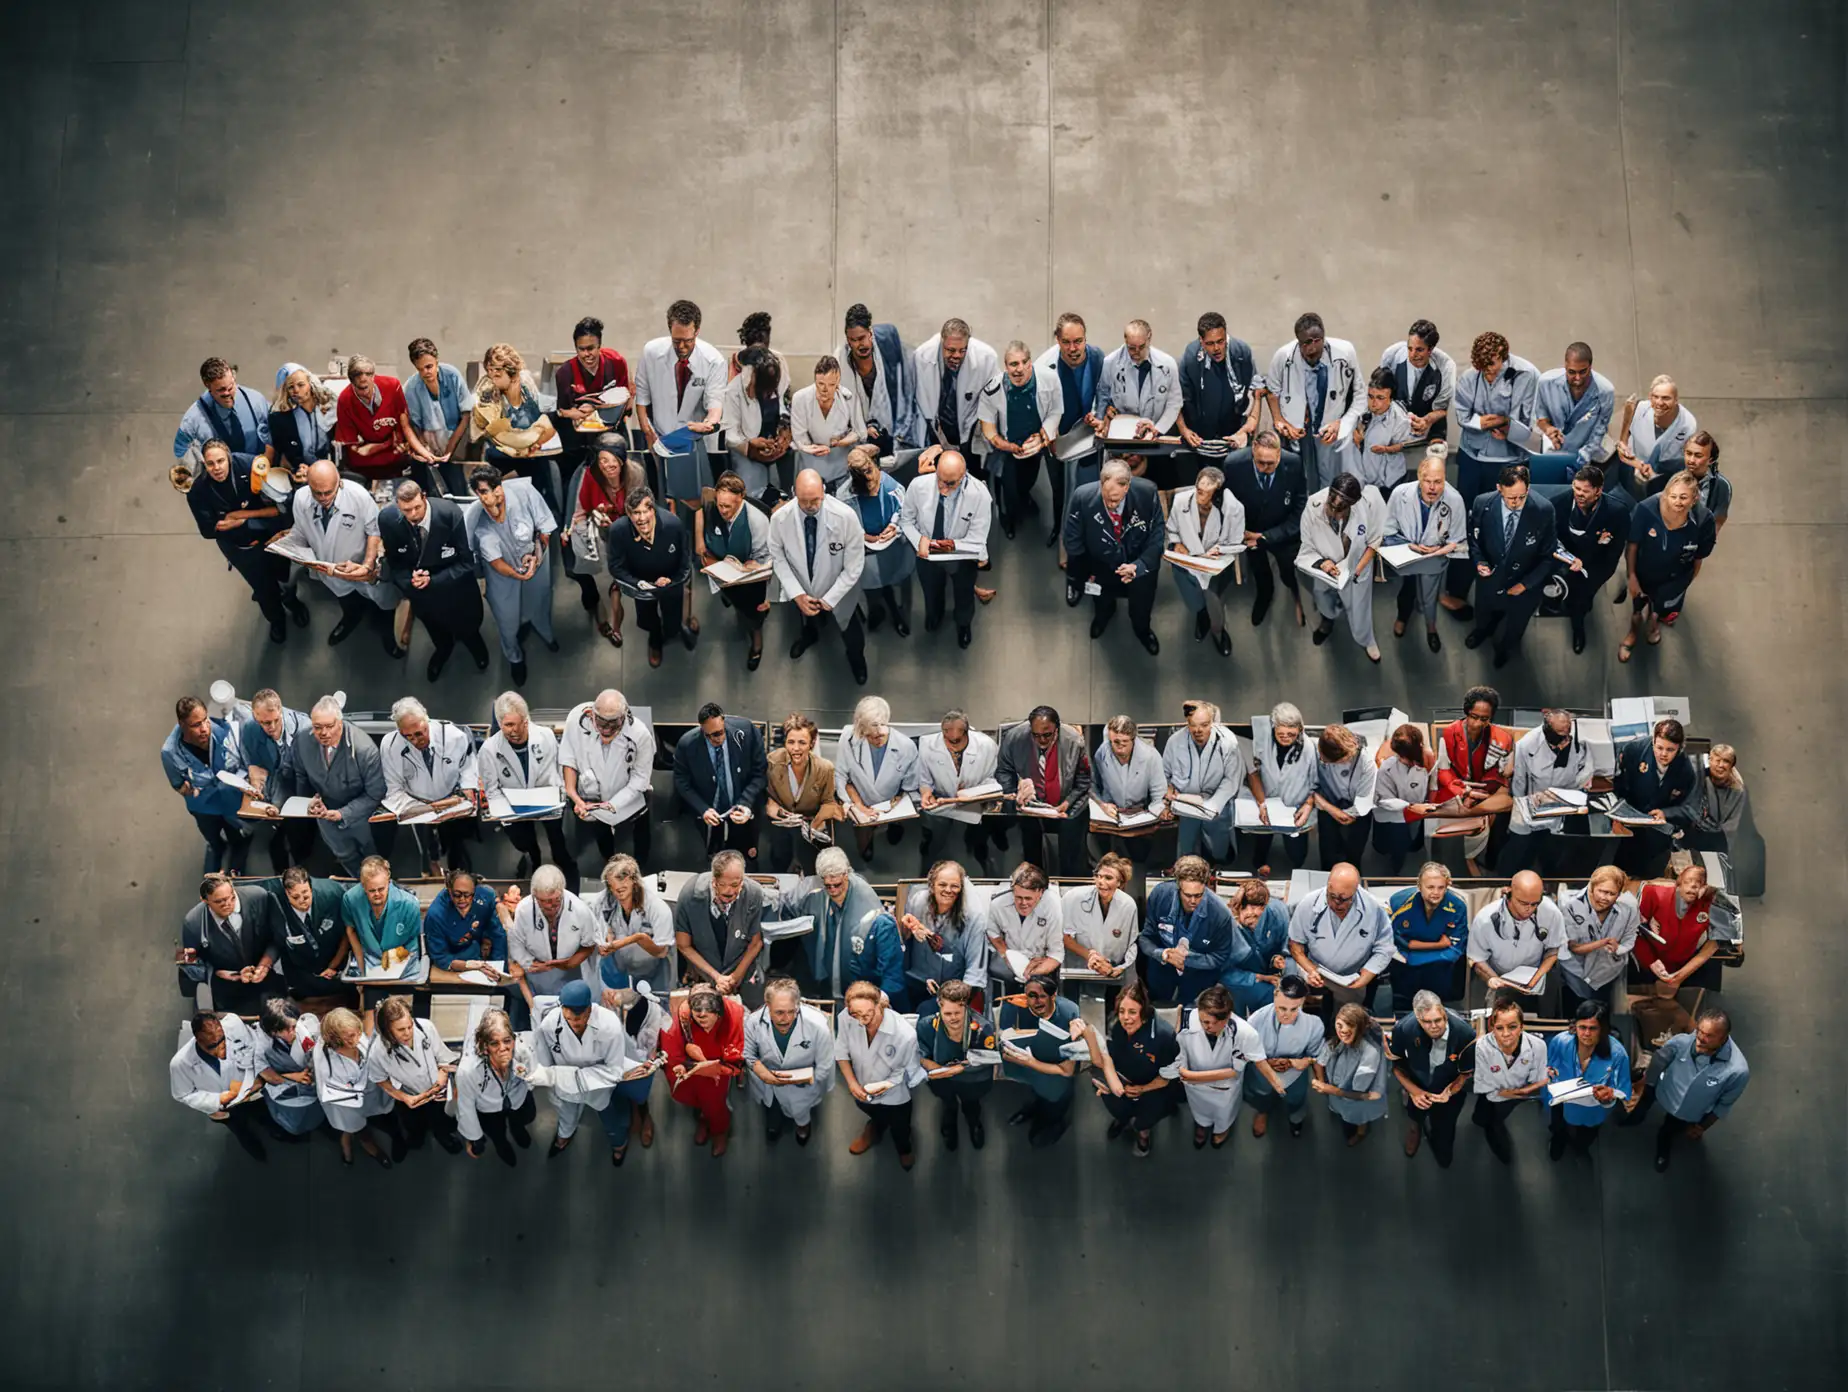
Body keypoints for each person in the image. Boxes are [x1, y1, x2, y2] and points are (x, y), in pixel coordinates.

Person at [1447, 332, 1540, 602]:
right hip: (1472, 458)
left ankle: (1501, 586)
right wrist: (1495, 422)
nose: (1488, 375)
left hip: (1508, 462)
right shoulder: (1469, 377)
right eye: (1482, 369)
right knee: (1466, 519)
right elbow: (1464, 416)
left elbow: (1527, 424)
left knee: (1503, 523)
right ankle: (1458, 587)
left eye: (1492, 368)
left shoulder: (1527, 375)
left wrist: (1508, 428)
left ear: (1504, 357)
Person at [182, 438, 300, 643]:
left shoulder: (251, 466)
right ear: (204, 464)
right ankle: (276, 619)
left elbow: (283, 507)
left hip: (272, 537)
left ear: (229, 457)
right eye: (210, 464)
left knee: (284, 574)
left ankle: (292, 602)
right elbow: (209, 530)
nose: (216, 468)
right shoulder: (198, 491)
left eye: (220, 461)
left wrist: (240, 517)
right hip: (243, 550)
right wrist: (256, 517)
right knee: (264, 589)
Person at [286, 460, 403, 655]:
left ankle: (388, 636)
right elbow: (301, 528)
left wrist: (366, 566)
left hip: (360, 567)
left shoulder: (358, 496)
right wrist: (291, 546)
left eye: (328, 492)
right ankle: (350, 620)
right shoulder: (300, 498)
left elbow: (374, 531)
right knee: (347, 602)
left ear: (339, 482)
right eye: (317, 492)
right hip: (330, 568)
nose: (323, 498)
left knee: (382, 605)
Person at [378, 478, 489, 680]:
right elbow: (394, 563)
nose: (413, 516)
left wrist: (433, 580)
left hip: (457, 592)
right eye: (406, 510)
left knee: (469, 629)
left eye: (417, 508)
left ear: (424, 497)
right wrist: (409, 580)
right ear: (397, 506)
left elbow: (466, 563)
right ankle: (443, 650)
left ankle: (476, 648)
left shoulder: (449, 514)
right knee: (437, 632)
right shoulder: (387, 520)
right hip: (423, 597)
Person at [1617, 1005, 1749, 1172]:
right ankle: (1635, 1118)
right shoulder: (1682, 1041)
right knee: (1642, 1106)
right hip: (1664, 1089)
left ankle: (1663, 1148)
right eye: (1699, 1031)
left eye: (1709, 1035)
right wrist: (1647, 1085)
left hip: (1686, 1111)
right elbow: (1659, 1060)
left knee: (1669, 1130)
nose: (1700, 1038)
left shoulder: (1737, 1071)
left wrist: (1702, 1127)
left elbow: (1724, 1104)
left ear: (1723, 1038)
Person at [770, 467, 869, 684]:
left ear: (824, 492)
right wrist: (797, 594)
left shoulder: (845, 517)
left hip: (840, 592)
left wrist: (829, 599)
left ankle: (856, 659)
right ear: (794, 493)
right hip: (803, 589)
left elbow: (854, 566)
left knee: (851, 632)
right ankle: (810, 635)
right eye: (804, 501)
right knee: (809, 620)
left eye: (815, 500)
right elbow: (777, 556)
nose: (810, 506)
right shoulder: (780, 519)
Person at [466, 463, 558, 685]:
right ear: (477, 494)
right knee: (506, 618)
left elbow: (544, 527)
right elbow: (496, 562)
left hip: (535, 560)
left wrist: (537, 554)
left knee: (540, 597)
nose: (494, 495)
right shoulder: (476, 521)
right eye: (485, 492)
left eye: (496, 487)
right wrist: (518, 576)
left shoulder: (523, 492)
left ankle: (543, 630)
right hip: (502, 574)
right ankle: (514, 657)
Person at [1062, 457, 1165, 654]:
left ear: (1127, 487)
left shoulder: (1147, 493)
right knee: (1101, 600)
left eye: (1115, 499)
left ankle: (1142, 630)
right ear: (1101, 484)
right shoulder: (1082, 497)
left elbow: (1157, 535)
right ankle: (1103, 617)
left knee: (1141, 607)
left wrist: (1140, 566)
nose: (1110, 504)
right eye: (1106, 497)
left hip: (1138, 566)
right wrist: (1083, 572)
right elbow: (1073, 538)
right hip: (1101, 565)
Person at [633, 300, 725, 510]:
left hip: (689, 437)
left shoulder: (713, 360)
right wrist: (648, 431)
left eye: (687, 341)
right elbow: (642, 395)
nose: (682, 347)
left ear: (697, 331)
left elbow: (715, 402)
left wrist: (709, 423)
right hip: (657, 434)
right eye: (676, 341)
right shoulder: (651, 352)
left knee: (692, 502)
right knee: (658, 501)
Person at [778, 849, 902, 1004]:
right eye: (828, 886)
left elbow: (892, 974)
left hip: (863, 993)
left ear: (846, 875)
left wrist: (879, 1000)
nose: (833, 890)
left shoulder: (877, 919)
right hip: (825, 984)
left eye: (837, 884)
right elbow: (785, 905)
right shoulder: (814, 893)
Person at [1464, 462, 1557, 668]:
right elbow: (1474, 539)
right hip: (1490, 578)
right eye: (1510, 497)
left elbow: (1548, 556)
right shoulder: (1482, 503)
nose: (1516, 503)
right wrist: (1479, 561)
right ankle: (1482, 631)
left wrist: (1525, 585)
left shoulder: (1543, 510)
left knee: (1515, 625)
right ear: (1499, 489)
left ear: (1528, 489)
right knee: (1484, 612)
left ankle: (1505, 649)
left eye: (1521, 497)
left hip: (1525, 583)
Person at [478, 691, 574, 886]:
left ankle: (561, 860)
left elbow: (558, 769)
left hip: (547, 800)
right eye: (507, 725)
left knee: (557, 839)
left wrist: (559, 795)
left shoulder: (546, 736)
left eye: (517, 724)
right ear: (500, 723)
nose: (513, 731)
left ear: (526, 720)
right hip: (513, 806)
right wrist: (505, 812)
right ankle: (534, 858)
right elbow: (492, 789)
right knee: (524, 842)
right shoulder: (489, 750)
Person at [899, 447, 992, 647]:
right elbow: (906, 520)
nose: (942, 488)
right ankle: (935, 615)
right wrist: (919, 541)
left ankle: (963, 624)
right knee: (931, 590)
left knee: (964, 592)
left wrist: (953, 545)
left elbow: (978, 540)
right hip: (927, 554)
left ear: (963, 476)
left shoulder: (980, 495)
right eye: (939, 479)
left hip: (961, 557)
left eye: (950, 483)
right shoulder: (918, 485)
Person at [1621, 469, 1716, 664]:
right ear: (1665, 494)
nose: (1678, 502)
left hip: (1676, 577)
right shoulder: (1646, 510)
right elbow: (1632, 545)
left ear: (1694, 498)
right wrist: (1631, 575)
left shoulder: (1704, 521)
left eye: (1684, 497)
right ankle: (1633, 631)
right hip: (1644, 571)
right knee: (1638, 606)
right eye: (1673, 496)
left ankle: (1653, 624)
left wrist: (1687, 582)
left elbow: (1699, 557)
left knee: (1660, 609)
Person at [379, 696, 479, 876]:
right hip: (417, 805)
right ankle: (433, 869)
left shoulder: (454, 736)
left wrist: (466, 790)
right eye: (407, 736)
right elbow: (393, 789)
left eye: (419, 733)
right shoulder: (390, 745)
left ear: (427, 720)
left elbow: (468, 766)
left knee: (456, 842)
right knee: (425, 848)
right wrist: (421, 810)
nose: (415, 741)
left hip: (451, 801)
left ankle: (460, 870)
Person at [1080, 977, 1181, 1156]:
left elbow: (1168, 1076)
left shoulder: (1163, 1036)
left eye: (1132, 1012)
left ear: (1144, 1011)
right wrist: (1103, 1080)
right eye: (1122, 1011)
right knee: (1119, 1109)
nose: (1125, 1018)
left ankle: (1143, 1135)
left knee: (1144, 1121)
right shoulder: (1114, 1026)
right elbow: (1107, 1056)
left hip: (1153, 1089)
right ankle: (1123, 1120)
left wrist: (1142, 1088)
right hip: (1121, 1083)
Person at [533, 979, 631, 1164]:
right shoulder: (549, 1024)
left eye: (579, 1018)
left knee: (608, 1116)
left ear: (589, 1010)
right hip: (566, 1087)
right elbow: (545, 1063)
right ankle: (564, 1137)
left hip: (598, 1087)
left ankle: (619, 1144)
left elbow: (615, 1070)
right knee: (566, 1114)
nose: (574, 1023)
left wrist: (573, 1077)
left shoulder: (609, 1025)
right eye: (568, 1018)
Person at [1176, 983, 1281, 1152]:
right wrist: (1181, 1069)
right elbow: (1178, 1048)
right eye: (1203, 1021)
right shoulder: (1186, 1019)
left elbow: (1237, 1069)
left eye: (1211, 1023)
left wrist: (1189, 1076)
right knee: (1199, 1110)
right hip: (1195, 1089)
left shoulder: (1244, 1033)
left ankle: (1221, 1131)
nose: (1206, 1026)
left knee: (1224, 1114)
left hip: (1224, 1089)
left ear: (1226, 1018)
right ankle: (1202, 1125)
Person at [1264, 312, 1362, 491]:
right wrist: (1280, 421)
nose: (1312, 347)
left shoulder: (1345, 352)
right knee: (1301, 483)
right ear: (1298, 342)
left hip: (1332, 428)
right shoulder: (1283, 356)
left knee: (1334, 481)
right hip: (1298, 430)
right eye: (1306, 343)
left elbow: (1360, 395)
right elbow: (1271, 391)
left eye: (1317, 340)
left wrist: (1343, 423)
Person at [293, 695, 388, 876]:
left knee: (371, 857)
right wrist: (309, 801)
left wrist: (343, 814)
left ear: (340, 723)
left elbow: (375, 794)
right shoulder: (303, 741)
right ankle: (357, 881)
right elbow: (301, 774)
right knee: (344, 854)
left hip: (359, 815)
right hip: (324, 813)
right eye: (318, 727)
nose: (323, 733)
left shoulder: (364, 750)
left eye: (329, 726)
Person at [1384, 445, 1467, 652]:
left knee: (1429, 597)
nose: (1432, 488)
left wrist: (1436, 551)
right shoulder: (1399, 494)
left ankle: (1431, 627)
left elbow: (1457, 540)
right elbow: (1387, 531)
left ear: (1445, 479)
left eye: (1438, 482)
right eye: (1427, 481)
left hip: (1434, 557)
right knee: (1406, 591)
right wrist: (1408, 545)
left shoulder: (1455, 500)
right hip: (1407, 554)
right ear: (1419, 477)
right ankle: (1403, 617)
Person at [1297, 472, 1386, 660]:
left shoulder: (1368, 505)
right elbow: (1306, 546)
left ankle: (1366, 639)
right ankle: (1328, 620)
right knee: (1322, 595)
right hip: (1324, 567)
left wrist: (1358, 568)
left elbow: (1374, 541)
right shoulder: (1313, 506)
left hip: (1357, 567)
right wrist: (1323, 563)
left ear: (1352, 506)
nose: (1333, 513)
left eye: (1340, 510)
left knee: (1360, 607)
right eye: (1331, 506)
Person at [561, 688, 655, 865]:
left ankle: (642, 864)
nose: (606, 730)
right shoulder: (576, 720)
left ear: (624, 716)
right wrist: (574, 796)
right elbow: (569, 758)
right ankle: (609, 862)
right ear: (591, 714)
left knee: (641, 832)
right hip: (592, 798)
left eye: (613, 724)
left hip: (629, 797)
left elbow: (640, 779)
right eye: (601, 723)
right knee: (602, 833)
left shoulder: (640, 735)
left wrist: (612, 805)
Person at [976, 340, 1061, 535]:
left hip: (1035, 445)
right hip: (1008, 447)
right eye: (1013, 364)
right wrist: (1006, 446)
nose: (1019, 369)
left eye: (1024, 362)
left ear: (1030, 362)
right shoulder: (992, 390)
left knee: (1028, 480)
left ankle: (1025, 499)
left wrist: (1042, 436)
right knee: (1009, 488)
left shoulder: (1049, 379)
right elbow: (988, 429)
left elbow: (1056, 411)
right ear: (1006, 367)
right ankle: (1010, 522)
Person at [996, 705, 1093, 877]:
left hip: (1067, 805)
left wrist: (1068, 803)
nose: (1041, 740)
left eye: (1047, 735)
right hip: (1029, 806)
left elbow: (1084, 780)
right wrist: (1013, 793)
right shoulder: (1014, 738)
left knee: (1072, 860)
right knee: (1030, 860)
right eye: (1036, 735)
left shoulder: (1074, 741)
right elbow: (1004, 771)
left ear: (1057, 729)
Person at [163, 696, 254, 876]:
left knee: (238, 833)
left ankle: (236, 863)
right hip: (203, 806)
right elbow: (176, 782)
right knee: (212, 837)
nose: (204, 728)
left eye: (205, 720)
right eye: (196, 725)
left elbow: (241, 759)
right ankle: (217, 848)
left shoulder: (223, 728)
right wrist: (184, 789)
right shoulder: (170, 751)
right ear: (182, 725)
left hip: (230, 799)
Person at [606, 484, 695, 668]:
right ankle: (655, 641)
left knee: (673, 614)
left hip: (670, 582)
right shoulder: (618, 532)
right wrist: (639, 583)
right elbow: (616, 567)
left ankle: (675, 630)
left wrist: (673, 581)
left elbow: (685, 563)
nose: (641, 518)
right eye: (635, 513)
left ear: (653, 509)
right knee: (648, 619)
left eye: (645, 511)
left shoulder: (674, 526)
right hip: (642, 586)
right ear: (629, 515)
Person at [1036, 311, 1107, 541]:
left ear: (1085, 338)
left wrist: (1101, 414)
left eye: (1078, 341)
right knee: (1059, 485)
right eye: (1066, 342)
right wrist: (1050, 433)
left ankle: (1089, 528)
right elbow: (1040, 407)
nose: (1073, 348)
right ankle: (1059, 526)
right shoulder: (1044, 366)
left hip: (1089, 431)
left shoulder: (1097, 357)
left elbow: (1103, 391)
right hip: (1060, 434)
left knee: (1090, 482)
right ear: (1058, 341)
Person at [566, 437, 642, 646]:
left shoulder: (635, 475)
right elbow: (581, 511)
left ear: (623, 459)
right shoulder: (590, 476)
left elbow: (643, 507)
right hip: (600, 535)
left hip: (627, 534)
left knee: (617, 583)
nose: (608, 466)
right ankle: (609, 622)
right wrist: (575, 528)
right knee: (604, 582)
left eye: (613, 460)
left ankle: (613, 623)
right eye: (603, 461)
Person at [693, 471, 774, 669]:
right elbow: (699, 508)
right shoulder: (713, 503)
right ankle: (729, 597)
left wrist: (755, 567)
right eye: (720, 504)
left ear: (741, 497)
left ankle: (756, 644)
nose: (722, 510)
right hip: (722, 568)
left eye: (727, 506)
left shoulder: (757, 521)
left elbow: (766, 558)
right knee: (732, 598)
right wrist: (699, 538)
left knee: (753, 614)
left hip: (748, 577)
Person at [1433, 685, 1516, 875]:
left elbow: (1503, 774)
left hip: (1490, 789)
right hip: (1461, 787)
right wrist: (1463, 791)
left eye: (1484, 719)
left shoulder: (1503, 739)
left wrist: (1509, 767)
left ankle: (1487, 858)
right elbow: (1444, 771)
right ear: (1466, 712)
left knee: (1504, 814)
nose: (1477, 723)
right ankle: (1469, 856)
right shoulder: (1449, 733)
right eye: (1474, 716)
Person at [1228, 430, 1307, 628]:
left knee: (1289, 570)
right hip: (1249, 532)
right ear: (1253, 450)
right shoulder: (1233, 465)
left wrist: (1267, 536)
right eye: (1260, 462)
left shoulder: (1295, 463)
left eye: (1271, 463)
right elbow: (1227, 505)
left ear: (1280, 454)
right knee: (1260, 572)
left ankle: (1294, 590)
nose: (1265, 468)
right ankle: (1265, 595)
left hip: (1284, 532)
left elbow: (1300, 509)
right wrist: (1241, 532)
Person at [744, 977, 837, 1145]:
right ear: (767, 1006)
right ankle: (774, 1124)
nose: (785, 1019)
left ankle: (803, 1126)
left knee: (800, 1112)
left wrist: (804, 1080)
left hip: (803, 1086)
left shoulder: (817, 1025)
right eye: (779, 1012)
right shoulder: (753, 1022)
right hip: (767, 1082)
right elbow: (749, 1055)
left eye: (791, 1011)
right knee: (771, 1109)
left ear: (798, 1006)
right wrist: (764, 1075)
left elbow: (825, 1064)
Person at [1287, 863, 1392, 1011]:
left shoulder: (1373, 908)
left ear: (1356, 892)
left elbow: (1385, 947)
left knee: (1347, 1021)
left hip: (1351, 978)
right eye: (1332, 896)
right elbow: (1295, 945)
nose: (1336, 904)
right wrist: (1310, 970)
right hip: (1316, 971)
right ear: (1328, 887)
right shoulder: (1308, 904)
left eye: (1344, 899)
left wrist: (1367, 974)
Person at [1387, 990, 1476, 1166]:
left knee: (1445, 1126)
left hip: (1449, 1090)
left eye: (1438, 1020)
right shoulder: (1403, 1029)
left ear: (1444, 1013)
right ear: (1418, 1019)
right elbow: (1397, 1067)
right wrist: (1415, 1092)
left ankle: (1442, 1145)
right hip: (1417, 1084)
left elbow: (1466, 1072)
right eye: (1427, 1022)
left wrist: (1449, 1092)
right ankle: (1416, 1130)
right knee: (1415, 1116)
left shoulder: (1465, 1034)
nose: (1434, 1026)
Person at [1502, 710, 1596, 874]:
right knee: (1519, 852)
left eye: (1567, 731)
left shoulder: (1580, 740)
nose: (1565, 737)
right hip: (1535, 800)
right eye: (1560, 733)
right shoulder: (1527, 744)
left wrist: (1575, 789)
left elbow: (1586, 769)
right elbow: (1519, 782)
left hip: (1567, 800)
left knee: (1566, 854)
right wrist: (1526, 802)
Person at [997, 971, 1084, 1148]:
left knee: (1053, 1105)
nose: (1037, 1002)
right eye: (1032, 996)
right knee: (1037, 1092)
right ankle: (1036, 1108)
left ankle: (1055, 1122)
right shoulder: (1016, 1009)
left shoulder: (1069, 1013)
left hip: (1055, 1074)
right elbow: (1004, 1036)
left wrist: (1029, 1062)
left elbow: (1066, 1070)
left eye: (1043, 996)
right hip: (1030, 1067)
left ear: (1054, 995)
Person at [367, 995, 461, 1160]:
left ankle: (443, 1137)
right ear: (387, 1029)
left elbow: (443, 1057)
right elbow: (379, 1079)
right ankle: (416, 1140)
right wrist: (405, 1098)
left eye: (409, 1026)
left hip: (437, 1092)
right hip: (410, 1097)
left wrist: (443, 1073)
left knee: (441, 1121)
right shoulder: (377, 1052)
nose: (408, 1033)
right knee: (414, 1126)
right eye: (401, 1030)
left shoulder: (425, 1027)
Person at [1165, 464, 1245, 656]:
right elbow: (1172, 529)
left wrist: (1219, 550)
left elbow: (1237, 542)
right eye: (1199, 491)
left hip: (1216, 568)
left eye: (1208, 493)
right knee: (1193, 600)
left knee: (1215, 605)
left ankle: (1218, 631)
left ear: (1218, 494)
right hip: (1187, 565)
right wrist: (1177, 545)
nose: (1201, 498)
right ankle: (1201, 618)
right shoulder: (1181, 501)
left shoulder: (1234, 509)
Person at [673, 702, 768, 860]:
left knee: (744, 860)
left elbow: (760, 772)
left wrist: (745, 803)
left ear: (724, 722)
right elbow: (682, 781)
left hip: (742, 811)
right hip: (708, 815)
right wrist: (703, 809)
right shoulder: (687, 744)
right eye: (708, 735)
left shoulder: (746, 732)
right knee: (710, 863)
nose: (714, 740)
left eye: (718, 733)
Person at [1551, 462, 1629, 654]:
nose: (1579, 493)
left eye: (1585, 491)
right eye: (1576, 488)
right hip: (1564, 560)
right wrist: (1565, 561)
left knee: (1581, 599)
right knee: (1563, 592)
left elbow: (1614, 550)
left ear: (1598, 491)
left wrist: (1591, 570)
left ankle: (1578, 626)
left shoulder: (1617, 512)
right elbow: (1550, 536)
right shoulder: (1558, 503)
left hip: (1595, 564)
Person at [178, 872, 283, 1014]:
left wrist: (264, 965)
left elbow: (278, 935)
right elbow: (191, 966)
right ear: (205, 900)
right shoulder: (193, 923)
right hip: (228, 993)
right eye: (220, 901)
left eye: (232, 898)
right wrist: (223, 974)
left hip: (268, 982)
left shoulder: (259, 897)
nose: (228, 904)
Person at [170, 1010, 267, 1160]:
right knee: (240, 1129)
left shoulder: (234, 1025)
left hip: (250, 1093)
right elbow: (183, 1094)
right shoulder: (181, 1064)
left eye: (222, 1040)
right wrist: (218, 1100)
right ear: (197, 1040)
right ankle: (255, 1150)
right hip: (225, 1107)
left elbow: (249, 1048)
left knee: (263, 1114)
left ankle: (273, 1130)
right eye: (213, 1045)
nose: (221, 1047)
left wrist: (249, 1081)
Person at [834, 694, 920, 863]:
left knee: (896, 825)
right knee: (862, 834)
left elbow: (910, 787)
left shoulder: (906, 747)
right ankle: (866, 844)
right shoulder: (849, 738)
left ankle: (895, 826)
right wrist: (856, 807)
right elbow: (841, 776)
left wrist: (896, 805)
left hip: (892, 804)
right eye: (872, 735)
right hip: (861, 800)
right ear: (861, 728)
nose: (878, 736)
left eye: (882, 731)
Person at [839, 446, 916, 636]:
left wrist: (894, 527)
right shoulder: (843, 496)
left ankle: (899, 615)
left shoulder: (890, 486)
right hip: (865, 551)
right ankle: (877, 610)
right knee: (871, 585)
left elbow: (905, 511)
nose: (873, 487)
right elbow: (841, 527)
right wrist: (863, 537)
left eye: (873, 478)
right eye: (868, 487)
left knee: (897, 581)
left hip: (893, 546)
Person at [673, 850, 767, 1005]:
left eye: (735, 885)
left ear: (742, 880)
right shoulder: (690, 894)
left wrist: (735, 977)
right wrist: (716, 977)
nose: (728, 891)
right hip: (704, 970)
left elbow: (756, 943)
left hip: (741, 969)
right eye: (722, 884)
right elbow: (683, 945)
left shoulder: (754, 894)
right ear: (713, 880)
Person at [662, 984, 747, 1156]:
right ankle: (703, 1116)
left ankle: (719, 1131)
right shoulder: (683, 1014)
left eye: (709, 1019)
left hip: (719, 1065)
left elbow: (736, 1056)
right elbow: (672, 1045)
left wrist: (715, 1068)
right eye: (699, 1020)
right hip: (691, 1065)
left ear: (719, 1013)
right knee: (693, 1095)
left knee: (715, 1102)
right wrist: (682, 1065)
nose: (705, 1026)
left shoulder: (734, 1014)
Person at [1465, 870, 1564, 1015]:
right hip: (1500, 976)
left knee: (1547, 1004)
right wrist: (1493, 978)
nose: (1528, 909)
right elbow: (1477, 958)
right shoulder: (1485, 919)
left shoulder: (1551, 913)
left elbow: (1553, 949)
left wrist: (1535, 979)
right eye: (1523, 903)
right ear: (1509, 893)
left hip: (1535, 974)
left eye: (1535, 904)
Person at [916, 979, 999, 1150]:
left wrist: (956, 1069)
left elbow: (988, 1058)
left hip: (973, 1080)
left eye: (957, 1013)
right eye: (947, 1013)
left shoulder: (983, 1028)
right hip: (941, 1078)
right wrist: (936, 1069)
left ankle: (973, 1121)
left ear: (966, 1007)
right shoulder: (926, 1026)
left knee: (971, 1104)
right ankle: (950, 1118)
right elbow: (920, 1054)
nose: (953, 1018)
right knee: (948, 1101)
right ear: (939, 1006)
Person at [914, 318, 1000, 484]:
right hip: (936, 435)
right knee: (939, 484)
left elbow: (995, 402)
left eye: (962, 350)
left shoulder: (986, 358)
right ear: (942, 341)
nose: (956, 356)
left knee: (973, 485)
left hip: (971, 434)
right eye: (950, 350)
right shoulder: (922, 357)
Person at [1138, 855, 1234, 1005]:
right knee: (1157, 1010)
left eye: (1198, 895)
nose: (1193, 901)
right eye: (1187, 895)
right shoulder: (1159, 895)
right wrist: (1163, 954)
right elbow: (1145, 938)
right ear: (1177, 886)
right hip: (1162, 968)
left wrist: (1187, 960)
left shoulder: (1220, 914)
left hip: (1199, 974)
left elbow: (1221, 956)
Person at [1177, 312, 1264, 472]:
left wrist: (1246, 430)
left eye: (1220, 341)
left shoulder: (1241, 353)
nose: (1217, 348)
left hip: (1234, 432)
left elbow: (1256, 393)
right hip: (1200, 436)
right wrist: (1184, 430)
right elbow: (1177, 399)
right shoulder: (1190, 358)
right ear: (1201, 341)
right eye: (1210, 343)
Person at [918, 709, 1002, 873]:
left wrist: (975, 794)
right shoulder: (927, 744)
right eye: (947, 740)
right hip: (941, 805)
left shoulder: (987, 746)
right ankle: (927, 873)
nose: (951, 745)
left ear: (967, 734)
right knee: (934, 845)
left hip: (974, 806)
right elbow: (924, 779)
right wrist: (926, 792)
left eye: (957, 741)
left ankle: (985, 870)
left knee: (975, 847)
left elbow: (992, 778)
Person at [1098, 319, 1182, 483]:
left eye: (1141, 347)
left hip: (1156, 437)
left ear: (1149, 339)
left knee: (1158, 487)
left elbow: (1174, 403)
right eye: (1131, 348)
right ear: (1125, 341)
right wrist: (1104, 415)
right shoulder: (1110, 363)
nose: (1136, 352)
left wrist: (1157, 430)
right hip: (1122, 441)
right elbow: (1102, 396)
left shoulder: (1167, 364)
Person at [1545, 1000, 1631, 1160]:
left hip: (1592, 1106)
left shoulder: (1617, 1054)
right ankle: (1558, 1140)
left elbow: (1623, 1087)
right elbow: (1548, 1064)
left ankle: (1581, 1147)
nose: (1586, 1034)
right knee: (1557, 1125)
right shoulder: (1560, 1042)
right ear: (1575, 1026)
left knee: (1587, 1133)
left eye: (1593, 1028)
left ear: (1603, 1029)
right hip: (1561, 1098)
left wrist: (1610, 1094)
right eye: (1582, 1027)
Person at [1161, 701, 1243, 865]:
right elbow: (1165, 774)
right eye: (1193, 725)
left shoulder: (1228, 742)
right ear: (1187, 723)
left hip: (1217, 805)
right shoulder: (1175, 742)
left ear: (1212, 722)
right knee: (1187, 855)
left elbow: (1231, 780)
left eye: (1204, 725)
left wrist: (1213, 804)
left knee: (1219, 852)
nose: (1198, 730)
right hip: (1186, 804)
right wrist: (1167, 798)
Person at [899, 859, 990, 1007]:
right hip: (918, 982)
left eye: (954, 886)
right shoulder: (918, 901)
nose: (948, 890)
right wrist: (907, 927)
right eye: (942, 884)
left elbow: (975, 967)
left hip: (954, 992)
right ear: (932, 885)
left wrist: (957, 1001)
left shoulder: (973, 916)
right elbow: (905, 942)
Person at [1611, 718, 1696, 876]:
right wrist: (1617, 815)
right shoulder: (1633, 751)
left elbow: (1689, 807)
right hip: (1628, 823)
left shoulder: (1685, 769)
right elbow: (1619, 786)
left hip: (1658, 831)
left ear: (1679, 749)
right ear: (1653, 741)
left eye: (1670, 750)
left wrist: (1667, 813)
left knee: (1650, 874)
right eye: (1659, 748)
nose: (1663, 754)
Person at [507, 864, 599, 1007]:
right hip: (536, 973)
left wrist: (570, 963)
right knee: (539, 1011)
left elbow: (589, 944)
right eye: (544, 901)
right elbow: (516, 941)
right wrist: (528, 963)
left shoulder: (580, 910)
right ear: (534, 896)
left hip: (570, 972)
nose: (551, 905)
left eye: (556, 900)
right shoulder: (524, 909)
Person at [765, 712, 845, 875]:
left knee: (812, 870)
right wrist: (776, 810)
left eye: (802, 742)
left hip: (810, 824)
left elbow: (829, 802)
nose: (795, 748)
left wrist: (815, 824)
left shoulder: (825, 768)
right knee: (779, 863)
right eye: (791, 742)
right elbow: (769, 797)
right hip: (782, 825)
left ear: (812, 743)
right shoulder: (772, 761)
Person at [1243, 702, 1318, 874]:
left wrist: (1307, 806)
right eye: (1280, 733)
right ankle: (1259, 864)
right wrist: (1261, 803)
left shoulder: (1310, 748)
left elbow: (1317, 783)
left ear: (1300, 729)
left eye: (1291, 734)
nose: (1285, 738)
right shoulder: (1264, 741)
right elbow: (1253, 772)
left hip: (1295, 809)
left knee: (1298, 855)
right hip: (1266, 803)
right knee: (1260, 845)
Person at [1244, 977, 1325, 1138]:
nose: (1287, 1015)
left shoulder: (1314, 1024)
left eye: (1294, 1009)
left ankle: (1296, 1118)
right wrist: (1265, 1061)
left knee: (1296, 1098)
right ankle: (1263, 1112)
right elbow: (1246, 1051)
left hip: (1295, 1072)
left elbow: (1315, 1054)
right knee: (1261, 1093)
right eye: (1282, 1008)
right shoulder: (1255, 1020)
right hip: (1262, 1070)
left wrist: (1305, 1062)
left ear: (1302, 1002)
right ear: (1275, 995)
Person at [456, 1008, 539, 1166]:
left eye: (507, 1041)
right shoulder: (468, 1070)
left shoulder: (522, 1051)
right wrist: (474, 1139)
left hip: (516, 1098)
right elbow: (466, 1107)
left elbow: (531, 1077)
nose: (502, 1048)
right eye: (495, 1043)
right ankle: (502, 1146)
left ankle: (518, 1130)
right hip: (489, 1108)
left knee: (520, 1120)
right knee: (496, 1132)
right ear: (484, 1045)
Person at [840, 303, 924, 457]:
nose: (860, 344)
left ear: (870, 333)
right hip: (860, 438)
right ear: (848, 340)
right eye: (854, 340)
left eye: (862, 337)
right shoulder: (841, 362)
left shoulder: (887, 347)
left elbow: (906, 392)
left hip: (891, 430)